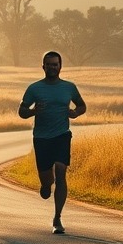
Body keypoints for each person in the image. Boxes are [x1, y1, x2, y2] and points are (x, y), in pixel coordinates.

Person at [18, 51, 86, 234]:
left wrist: (76, 112)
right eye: (49, 65)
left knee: (61, 171)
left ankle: (57, 218)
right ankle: (46, 185)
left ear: (60, 66)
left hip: (62, 135)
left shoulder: (69, 87)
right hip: (41, 138)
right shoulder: (34, 89)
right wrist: (33, 111)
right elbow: (22, 111)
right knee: (47, 182)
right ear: (43, 67)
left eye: (55, 64)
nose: (52, 67)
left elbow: (82, 105)